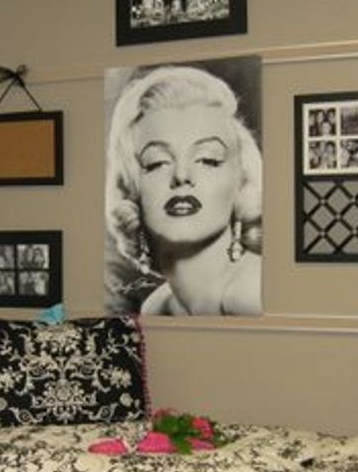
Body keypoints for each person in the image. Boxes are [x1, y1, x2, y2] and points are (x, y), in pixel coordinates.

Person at [105, 65, 262, 315]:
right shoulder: (157, 306)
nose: (181, 176)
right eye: (157, 162)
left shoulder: (249, 293)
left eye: (208, 159)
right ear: (131, 189)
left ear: (242, 181)